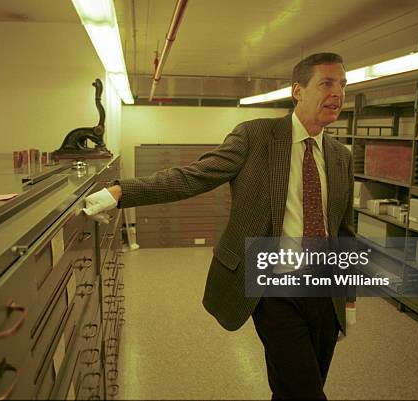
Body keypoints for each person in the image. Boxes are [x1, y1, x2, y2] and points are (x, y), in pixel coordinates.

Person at [84, 52, 355, 400]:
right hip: (275, 291)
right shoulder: (256, 137)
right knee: (306, 393)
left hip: (324, 291)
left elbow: (344, 231)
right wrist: (122, 192)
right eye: (327, 83)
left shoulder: (340, 156)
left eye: (343, 85)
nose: (338, 93)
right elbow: (193, 176)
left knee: (296, 386)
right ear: (298, 91)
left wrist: (348, 299)